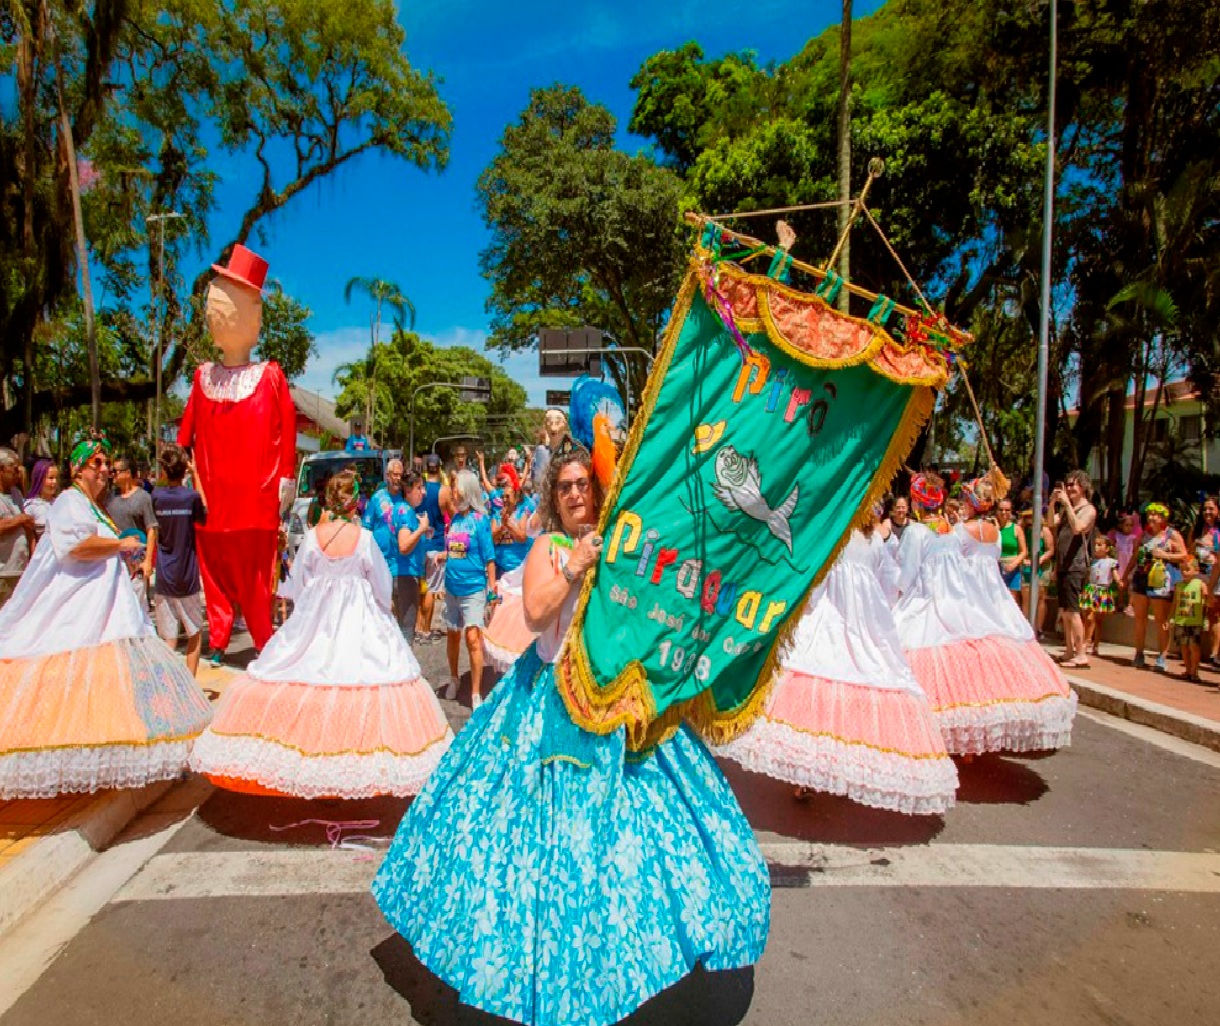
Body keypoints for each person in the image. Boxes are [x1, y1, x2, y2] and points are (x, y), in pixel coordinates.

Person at [372, 449, 769, 1026]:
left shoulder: (626, 544)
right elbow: (534, 612)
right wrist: (577, 563)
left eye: (584, 483)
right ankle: (537, 971)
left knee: (626, 846)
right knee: (537, 841)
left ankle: (615, 965)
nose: (576, 494)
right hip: (547, 704)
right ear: (552, 497)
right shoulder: (549, 547)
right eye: (564, 487)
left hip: (620, 708)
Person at [190, 470, 452, 797]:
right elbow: (382, 586)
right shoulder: (364, 539)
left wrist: (309, 609)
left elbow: (300, 583)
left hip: (319, 617)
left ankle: (315, 756)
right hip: (358, 618)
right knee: (360, 677)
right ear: (355, 502)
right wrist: (380, 611)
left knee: (311, 672)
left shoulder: (314, 537)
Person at [0, 434, 212, 798]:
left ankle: (98, 762)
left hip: (105, 607)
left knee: (106, 687)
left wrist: (124, 554)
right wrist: (120, 545)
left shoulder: (93, 505)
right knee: (70, 680)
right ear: (77, 469)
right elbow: (75, 546)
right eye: (96, 464)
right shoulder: (69, 501)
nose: (103, 471)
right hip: (75, 610)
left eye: (105, 464)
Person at [717, 516, 958, 814]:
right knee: (854, 693)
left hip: (832, 618)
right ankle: (838, 770)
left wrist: (806, 608)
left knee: (815, 690)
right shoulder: (874, 541)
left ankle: (808, 773)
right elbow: (886, 581)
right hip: (864, 623)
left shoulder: (838, 534)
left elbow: (820, 581)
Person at [893, 497, 1077, 755]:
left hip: (945, 592)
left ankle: (929, 731)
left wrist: (899, 593)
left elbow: (911, 571)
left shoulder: (942, 531)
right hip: (978, 591)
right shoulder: (954, 530)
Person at [440, 469, 496, 706]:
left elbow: (489, 558)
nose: (453, 493)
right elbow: (457, 549)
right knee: (452, 636)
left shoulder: (480, 521)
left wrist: (492, 591)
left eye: (457, 488)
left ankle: (475, 692)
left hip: (473, 589)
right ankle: (454, 678)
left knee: (473, 638)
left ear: (468, 490)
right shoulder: (455, 520)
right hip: (452, 587)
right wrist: (444, 555)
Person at [151, 445, 209, 676]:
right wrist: (196, 475)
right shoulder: (190, 497)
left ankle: (167, 686)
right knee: (194, 632)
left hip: (164, 577)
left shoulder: (156, 497)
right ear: (184, 469)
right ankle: (191, 687)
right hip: (187, 577)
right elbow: (205, 514)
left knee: (168, 638)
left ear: (164, 470)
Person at [364, 459, 429, 639]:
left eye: (401, 475)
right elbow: (403, 545)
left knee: (396, 626)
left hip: (397, 568)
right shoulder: (381, 499)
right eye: (395, 474)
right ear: (387, 475)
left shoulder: (402, 503)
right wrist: (421, 529)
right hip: (391, 567)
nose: (398, 478)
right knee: (401, 628)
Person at [1124, 502, 1187, 672]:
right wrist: (1125, 576)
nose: (1151, 517)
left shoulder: (1171, 535)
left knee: (1161, 619)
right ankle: (1138, 653)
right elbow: (1135, 556)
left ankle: (1162, 655)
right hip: (1142, 577)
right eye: (1150, 513)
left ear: (1163, 518)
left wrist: (1165, 554)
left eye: (1156, 514)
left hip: (1161, 580)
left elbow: (1184, 555)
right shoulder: (1143, 535)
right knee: (1139, 618)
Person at [1050, 470, 1098, 667]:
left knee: (1073, 610)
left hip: (1076, 565)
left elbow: (1078, 527)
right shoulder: (1065, 509)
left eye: (1073, 485)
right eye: (1067, 485)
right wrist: (1053, 503)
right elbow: (1050, 523)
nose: (1069, 488)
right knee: (1065, 611)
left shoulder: (1089, 510)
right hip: (1063, 564)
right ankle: (1069, 650)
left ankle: (1081, 653)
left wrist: (1068, 505)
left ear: (1083, 488)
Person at [105, 455, 158, 610]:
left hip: (136, 561)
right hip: (115, 559)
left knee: (137, 606)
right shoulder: (109, 498)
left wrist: (148, 561)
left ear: (127, 473)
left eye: (116, 471)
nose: (112, 475)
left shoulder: (143, 498)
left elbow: (151, 529)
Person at [415, 454, 446, 637]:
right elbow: (452, 512)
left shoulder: (418, 489)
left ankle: (418, 626)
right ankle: (426, 629)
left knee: (420, 587)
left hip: (418, 543)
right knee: (431, 590)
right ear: (439, 468)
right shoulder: (443, 491)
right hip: (435, 544)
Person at [1188, 497, 1220, 666]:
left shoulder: (1219, 532)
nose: (1208, 512)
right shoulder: (1197, 530)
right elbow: (1188, 555)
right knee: (1197, 617)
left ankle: (1215, 654)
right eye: (1205, 509)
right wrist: (1195, 544)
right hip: (1198, 576)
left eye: (1211, 509)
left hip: (1216, 576)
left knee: (1214, 615)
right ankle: (1193, 661)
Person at [0, 447, 33, 608]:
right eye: (13, 469)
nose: (17, 473)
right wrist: (19, 520)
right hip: (3, 572)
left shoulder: (16, 494)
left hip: (19, 570)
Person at [1080, 535, 1119, 661]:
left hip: (1102, 590)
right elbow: (1087, 576)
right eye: (1095, 544)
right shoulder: (1092, 561)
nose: (1096, 547)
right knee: (1088, 617)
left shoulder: (1111, 562)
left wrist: (1119, 581)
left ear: (1107, 548)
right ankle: (1086, 641)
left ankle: (1094, 643)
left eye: (1100, 545)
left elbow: (1115, 574)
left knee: (1097, 620)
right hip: (1091, 589)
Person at [1020, 507, 1055, 637]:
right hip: (1027, 565)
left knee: (1040, 596)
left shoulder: (1044, 531)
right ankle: (1026, 626)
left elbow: (1050, 550)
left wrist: (1039, 560)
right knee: (1026, 596)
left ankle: (1039, 627)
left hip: (1042, 566)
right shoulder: (1023, 530)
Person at [1172, 557, 1206, 684]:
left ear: (1196, 570)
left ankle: (1194, 671)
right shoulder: (1179, 586)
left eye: (1187, 569)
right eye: (1182, 570)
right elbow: (1175, 603)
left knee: (1194, 646)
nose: (1184, 572)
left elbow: (1206, 600)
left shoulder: (1200, 584)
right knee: (1184, 646)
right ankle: (1187, 670)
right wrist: (1171, 618)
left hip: (1195, 621)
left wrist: (1205, 616)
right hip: (1181, 620)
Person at [1108, 509, 1142, 615]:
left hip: (1129, 562)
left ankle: (1130, 605)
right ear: (1121, 525)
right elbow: (1112, 544)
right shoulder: (1117, 536)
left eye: (1131, 525)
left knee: (1130, 583)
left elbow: (1135, 550)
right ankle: (1120, 602)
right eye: (1126, 525)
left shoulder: (1133, 538)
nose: (1129, 527)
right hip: (1120, 561)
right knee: (1121, 583)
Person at [995, 496, 1027, 604]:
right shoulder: (992, 528)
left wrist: (1014, 564)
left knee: (1011, 601)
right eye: (1001, 510)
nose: (1004, 512)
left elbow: (1023, 551)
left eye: (1007, 510)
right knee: (997, 599)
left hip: (1013, 568)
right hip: (996, 568)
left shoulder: (1016, 529)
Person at [24, 458, 60, 539]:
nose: (54, 482)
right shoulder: (31, 507)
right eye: (51, 478)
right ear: (39, 479)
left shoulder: (60, 503)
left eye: (56, 478)